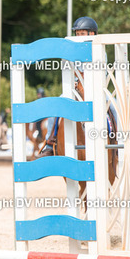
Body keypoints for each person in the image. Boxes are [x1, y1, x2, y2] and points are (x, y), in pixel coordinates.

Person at [39, 17, 98, 157]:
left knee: (113, 109)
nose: (78, 37)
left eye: (82, 34)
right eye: (77, 34)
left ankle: (118, 142)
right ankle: (49, 143)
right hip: (75, 90)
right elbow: (68, 71)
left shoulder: (99, 50)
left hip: (95, 90)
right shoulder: (72, 52)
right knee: (55, 109)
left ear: (92, 34)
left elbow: (104, 73)